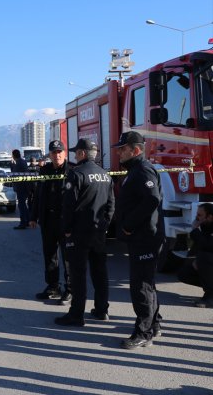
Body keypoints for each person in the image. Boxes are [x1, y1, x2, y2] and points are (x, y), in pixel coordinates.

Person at [55, 139, 114, 327]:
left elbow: (68, 206)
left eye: (75, 152)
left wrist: (66, 230)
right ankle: (102, 310)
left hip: (79, 234)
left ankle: (76, 314)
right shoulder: (106, 175)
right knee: (100, 273)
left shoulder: (76, 174)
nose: (73, 155)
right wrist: (104, 226)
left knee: (78, 275)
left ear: (82, 153)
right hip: (98, 232)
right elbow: (111, 206)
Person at [112, 131, 163, 349]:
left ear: (136, 150)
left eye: (123, 149)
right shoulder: (135, 170)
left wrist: (128, 225)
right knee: (147, 283)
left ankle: (143, 333)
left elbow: (152, 199)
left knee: (140, 286)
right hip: (142, 238)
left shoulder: (143, 170)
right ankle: (155, 324)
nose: (119, 152)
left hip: (145, 238)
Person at [29, 140, 72, 303]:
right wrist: (33, 217)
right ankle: (53, 286)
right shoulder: (44, 171)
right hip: (48, 220)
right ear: (50, 155)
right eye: (54, 152)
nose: (57, 155)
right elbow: (37, 196)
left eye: (60, 151)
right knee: (50, 256)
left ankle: (70, 289)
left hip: (66, 221)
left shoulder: (72, 170)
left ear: (65, 153)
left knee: (68, 257)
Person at [177, 203, 213, 308]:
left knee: (204, 258)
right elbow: (198, 247)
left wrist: (194, 229)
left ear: (210, 217)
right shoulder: (205, 225)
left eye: (200, 215)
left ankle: (211, 296)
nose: (196, 217)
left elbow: (208, 245)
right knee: (184, 273)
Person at [10, 149, 30, 229]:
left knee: (21, 205)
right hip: (25, 186)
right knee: (24, 205)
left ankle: (23, 223)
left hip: (21, 186)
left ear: (13, 156)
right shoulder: (23, 161)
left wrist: (11, 165)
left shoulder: (18, 163)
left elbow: (14, 175)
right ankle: (28, 220)